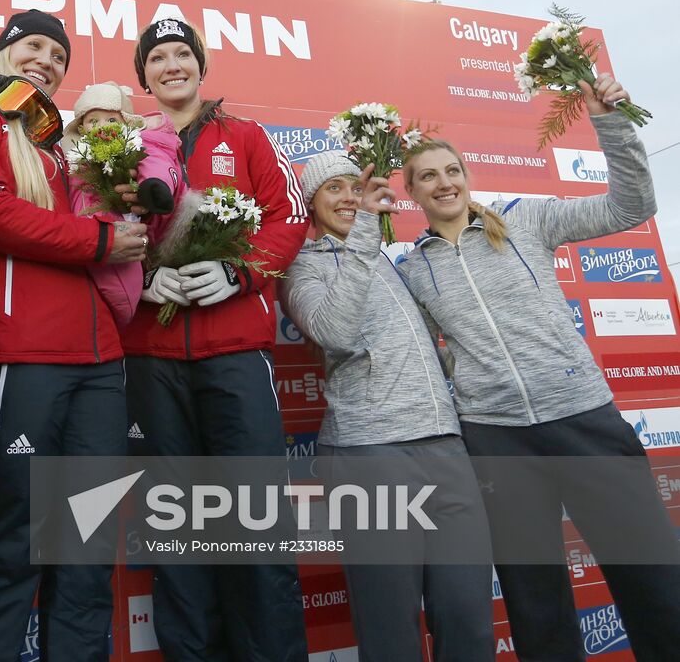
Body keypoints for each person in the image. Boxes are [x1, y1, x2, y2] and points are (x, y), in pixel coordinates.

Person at [398, 74, 680, 661]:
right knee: (533, 598)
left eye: (451, 171)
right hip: (495, 437)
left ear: (466, 177)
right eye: (428, 176)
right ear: (413, 193)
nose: (443, 182)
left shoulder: (525, 220)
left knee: (650, 570)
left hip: (583, 418)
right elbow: (429, 350)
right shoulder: (412, 268)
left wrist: (610, 123)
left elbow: (633, 204)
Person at [0, 10, 147, 662]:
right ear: (3, 51)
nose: (46, 61)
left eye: (58, 56)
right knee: (10, 544)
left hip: (101, 363)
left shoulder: (57, 142)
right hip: (18, 356)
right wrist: (101, 239)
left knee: (88, 548)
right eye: (34, 47)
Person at [122, 16, 310, 662]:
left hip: (235, 357)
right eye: (158, 58)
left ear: (201, 66)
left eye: (182, 54)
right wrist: (140, 279)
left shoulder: (250, 137)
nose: (172, 66)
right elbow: (93, 223)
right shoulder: (125, 146)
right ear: (143, 75)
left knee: (256, 531)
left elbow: (289, 215)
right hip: (152, 360)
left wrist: (239, 272)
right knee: (179, 536)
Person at [281, 151, 492, 662]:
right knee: (390, 628)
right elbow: (334, 331)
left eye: (356, 186)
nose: (350, 197)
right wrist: (363, 239)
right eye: (334, 188)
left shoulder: (396, 260)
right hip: (369, 452)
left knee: (468, 620)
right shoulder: (301, 268)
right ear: (311, 203)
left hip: (444, 445)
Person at [61, 80, 184, 325]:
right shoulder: (79, 158)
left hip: (147, 233)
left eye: (111, 120)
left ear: (126, 123)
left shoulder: (141, 141)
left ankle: (154, 190)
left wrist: (153, 188)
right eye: (93, 121)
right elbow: (78, 195)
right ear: (83, 129)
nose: (102, 127)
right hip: (103, 235)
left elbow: (158, 162)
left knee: (151, 160)